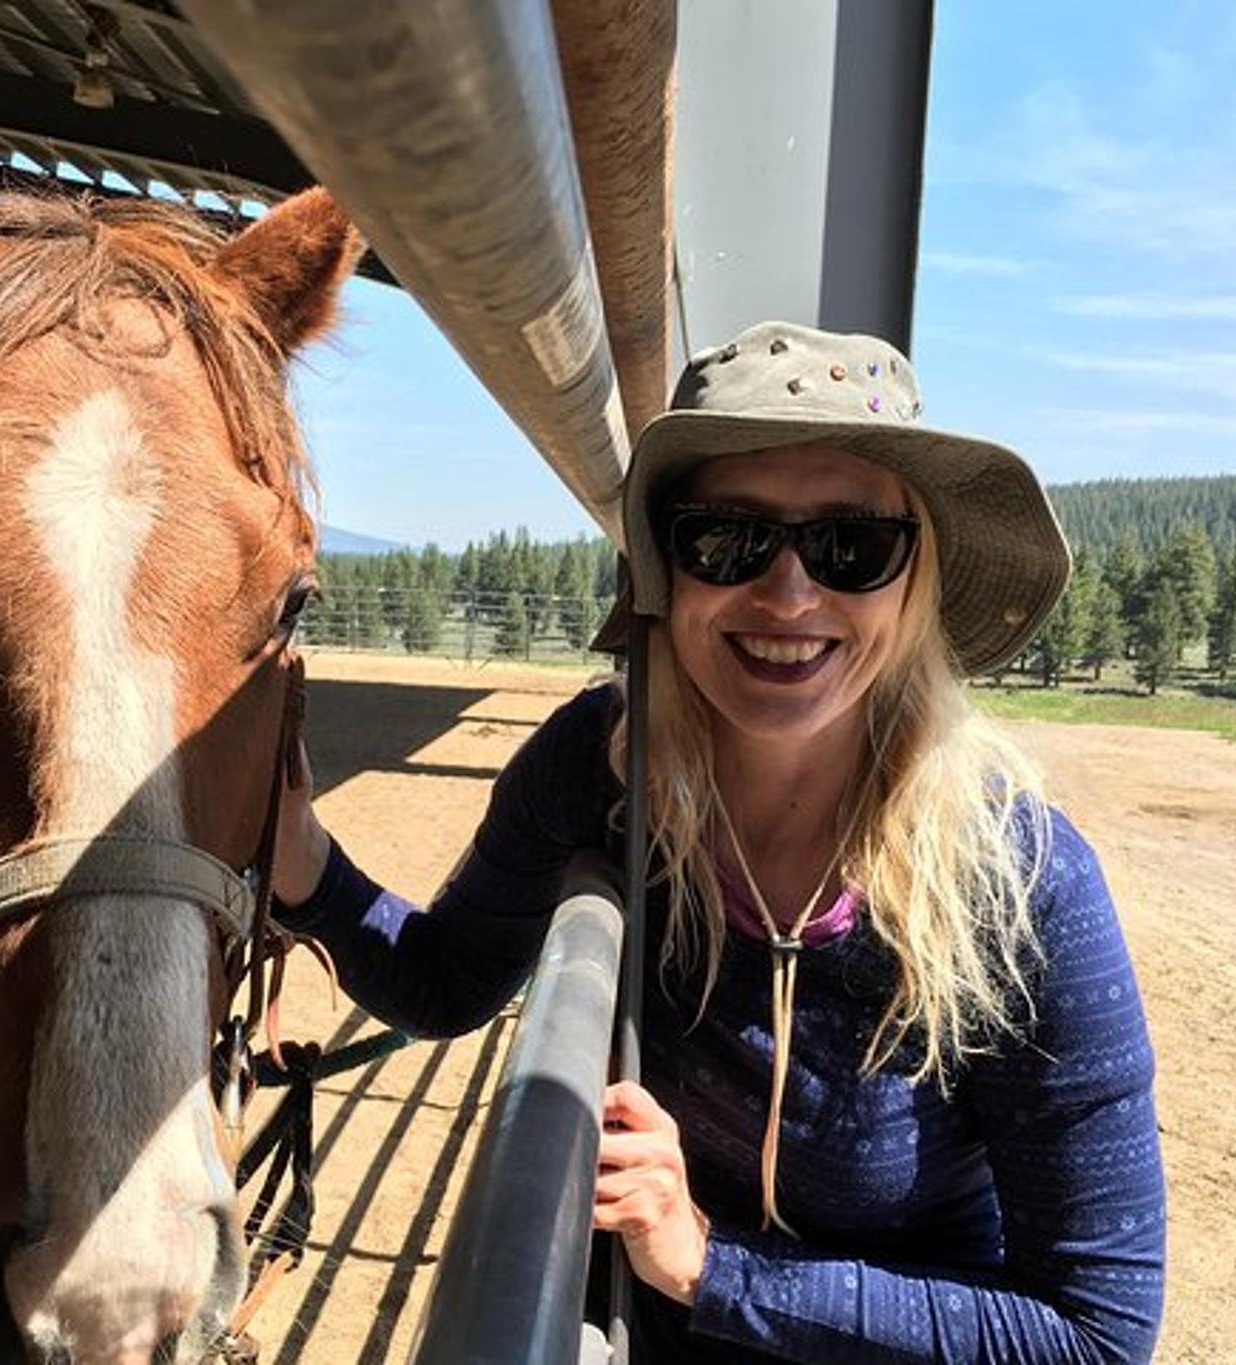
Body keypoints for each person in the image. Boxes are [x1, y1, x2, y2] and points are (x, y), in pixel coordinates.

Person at [272, 321, 1166, 1362]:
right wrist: (295, 855)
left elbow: (1094, 1336)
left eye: (850, 546)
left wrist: (706, 1262)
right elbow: (446, 979)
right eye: (725, 539)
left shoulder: (1019, 884)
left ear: (912, 581)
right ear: (664, 573)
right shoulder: (599, 770)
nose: (788, 595)